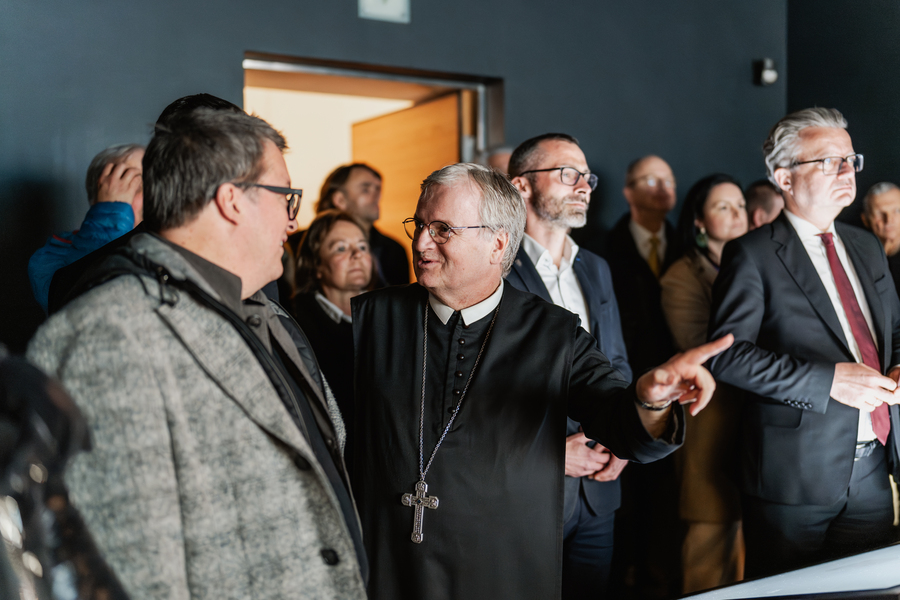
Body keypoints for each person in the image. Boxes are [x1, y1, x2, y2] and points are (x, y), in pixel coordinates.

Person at [27, 108, 368, 598]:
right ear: (232, 200)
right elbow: (133, 572)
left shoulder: (271, 315)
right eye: (286, 197)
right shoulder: (110, 331)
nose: (294, 221)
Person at [351, 162, 732, 600]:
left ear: (497, 243)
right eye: (418, 225)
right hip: (388, 568)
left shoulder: (554, 333)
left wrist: (650, 401)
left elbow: (617, 419)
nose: (420, 242)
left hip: (503, 571)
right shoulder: (371, 318)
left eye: (441, 230)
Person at [708, 107, 900, 578]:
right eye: (829, 161)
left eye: (850, 160)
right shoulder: (751, 253)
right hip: (792, 475)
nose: (847, 172)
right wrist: (828, 381)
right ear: (784, 177)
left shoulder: (866, 245)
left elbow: (895, 331)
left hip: (874, 469)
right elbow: (727, 356)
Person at [506, 133, 631, 599]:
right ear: (521, 185)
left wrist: (624, 434)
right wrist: (549, 452)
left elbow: (616, 361)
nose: (584, 185)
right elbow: (482, 386)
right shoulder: (494, 269)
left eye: (587, 177)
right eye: (567, 174)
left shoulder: (596, 267)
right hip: (526, 494)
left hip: (599, 489)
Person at [46, 93, 248, 315]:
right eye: (134, 184)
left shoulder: (245, 257)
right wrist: (109, 213)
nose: (154, 192)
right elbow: (86, 293)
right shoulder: (60, 262)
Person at [660, 173, 748, 592]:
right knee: (711, 545)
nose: (737, 215)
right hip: (710, 419)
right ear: (698, 221)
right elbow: (699, 348)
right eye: (722, 207)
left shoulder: (756, 263)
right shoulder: (681, 275)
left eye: (741, 206)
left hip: (757, 423)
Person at [601, 154, 681, 598]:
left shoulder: (687, 244)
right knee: (627, 495)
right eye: (650, 180)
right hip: (625, 385)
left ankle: (661, 576)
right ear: (628, 191)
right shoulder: (604, 248)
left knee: (669, 494)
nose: (662, 188)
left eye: (667, 180)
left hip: (681, 388)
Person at [291, 209, 375, 454]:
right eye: (340, 248)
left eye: (362, 246)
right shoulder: (294, 324)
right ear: (316, 264)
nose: (356, 255)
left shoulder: (388, 313)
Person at [28, 143, 144, 312]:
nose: (150, 196)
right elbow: (89, 305)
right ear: (100, 194)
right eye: (133, 184)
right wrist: (111, 211)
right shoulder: (51, 257)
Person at [312, 163, 409, 286]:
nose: (378, 196)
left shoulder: (394, 250)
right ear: (340, 200)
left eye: (378, 189)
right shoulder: (299, 245)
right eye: (366, 189)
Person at [861, 182, 900, 298]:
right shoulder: (858, 259)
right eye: (879, 213)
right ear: (865, 219)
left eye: (897, 211)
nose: (889, 220)